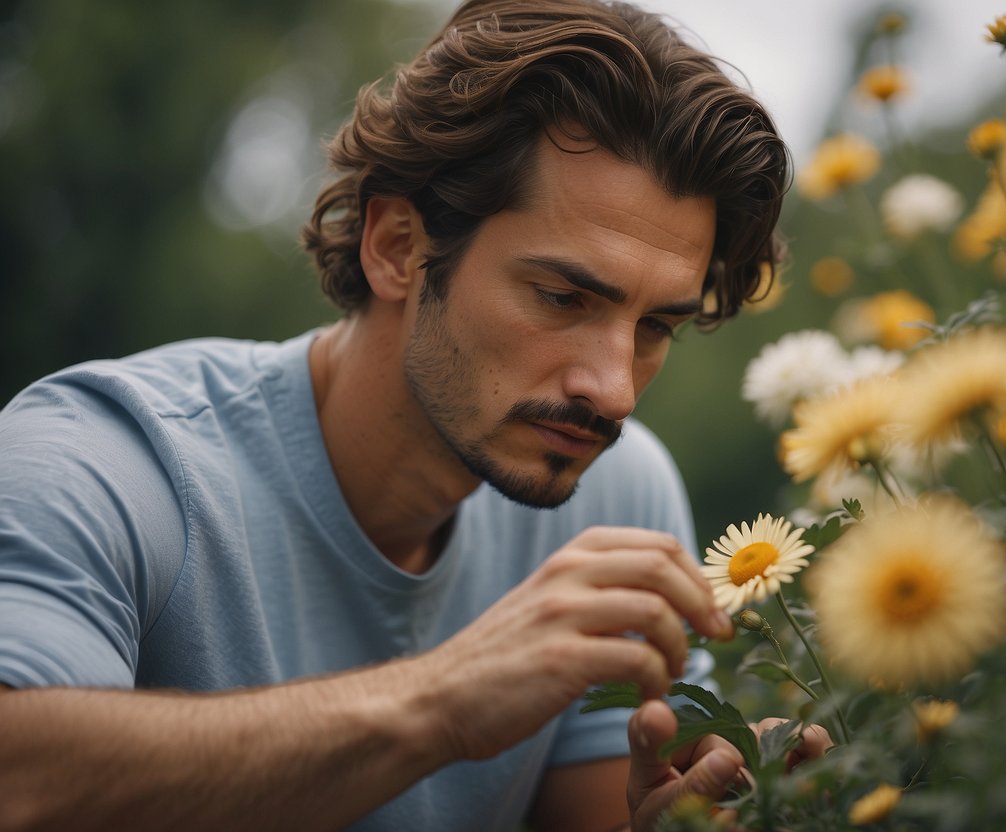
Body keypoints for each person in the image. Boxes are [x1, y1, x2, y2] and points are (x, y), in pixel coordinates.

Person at [0, 0, 829, 829]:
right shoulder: (104, 463)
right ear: (397, 246)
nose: (612, 391)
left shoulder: (617, 498)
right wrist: (442, 701)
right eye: (561, 296)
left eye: (656, 328)